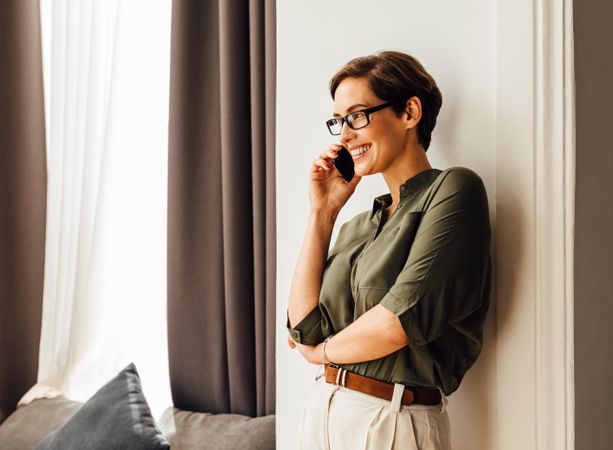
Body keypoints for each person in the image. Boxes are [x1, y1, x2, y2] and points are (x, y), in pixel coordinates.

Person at [286, 50, 492, 450]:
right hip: (322, 411)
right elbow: (302, 326)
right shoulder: (357, 227)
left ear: (409, 112)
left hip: (391, 419)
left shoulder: (454, 191)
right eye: (339, 121)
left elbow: (398, 322)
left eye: (357, 115)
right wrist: (322, 212)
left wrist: (322, 353)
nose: (344, 135)